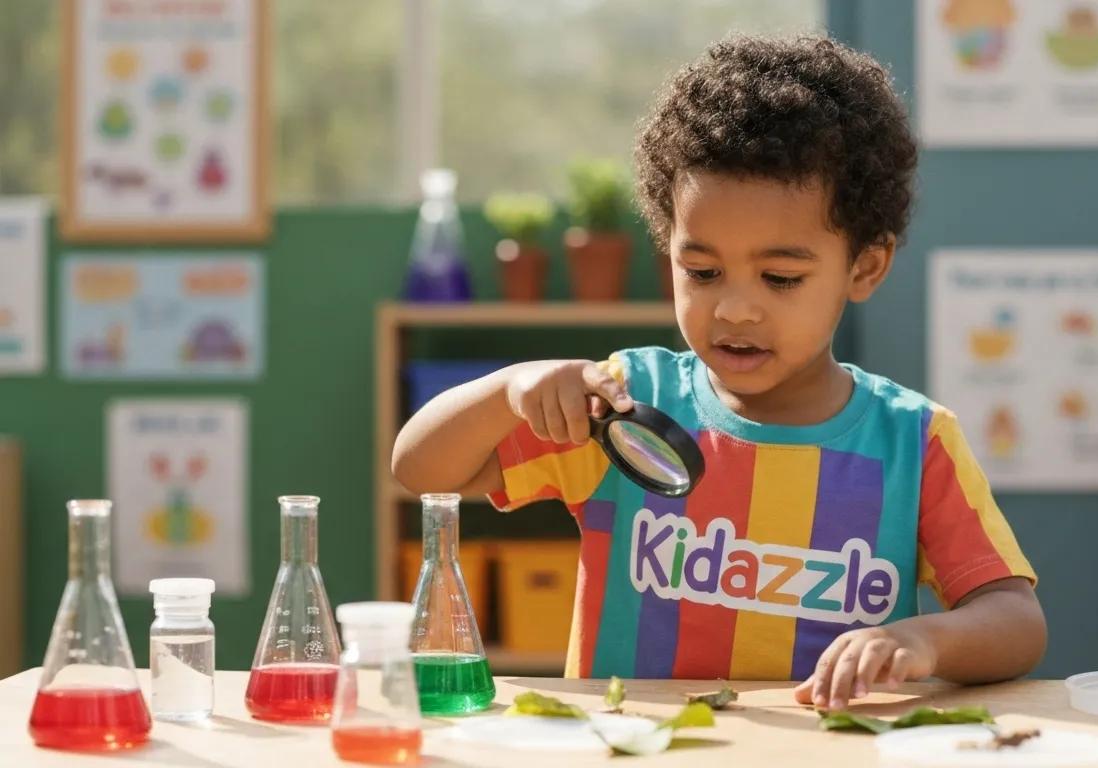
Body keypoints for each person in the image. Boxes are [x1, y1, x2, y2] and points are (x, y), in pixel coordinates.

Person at [392, 35, 1045, 712]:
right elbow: (419, 470)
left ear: (865, 267)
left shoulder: (914, 440)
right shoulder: (622, 406)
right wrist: (509, 390)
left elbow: (1016, 621)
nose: (734, 308)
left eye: (781, 277)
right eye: (702, 272)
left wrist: (924, 642)